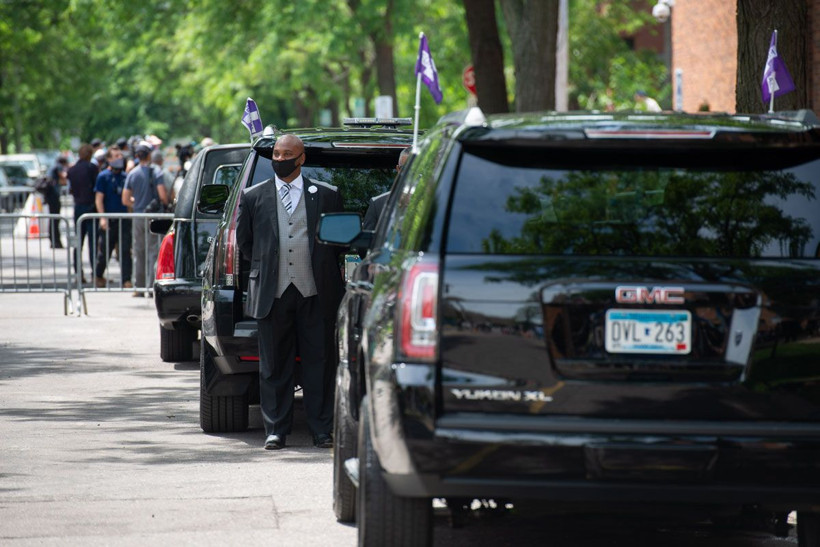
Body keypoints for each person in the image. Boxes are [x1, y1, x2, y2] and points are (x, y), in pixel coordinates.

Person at [236, 134, 344, 450]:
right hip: (274, 291)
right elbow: (246, 243)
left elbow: (337, 243)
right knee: (273, 365)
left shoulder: (326, 195)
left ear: (301, 159)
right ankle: (275, 430)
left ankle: (322, 429)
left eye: (287, 153)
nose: (280, 158)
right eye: (276, 153)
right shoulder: (254, 196)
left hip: (315, 292)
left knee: (320, 362)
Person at [122, 145, 168, 296]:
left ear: (137, 156)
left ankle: (139, 287)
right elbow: (162, 195)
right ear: (149, 156)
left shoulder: (132, 174)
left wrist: (137, 203)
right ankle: (151, 287)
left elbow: (125, 199)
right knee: (153, 252)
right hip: (153, 217)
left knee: (138, 251)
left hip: (138, 216)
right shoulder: (156, 171)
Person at [94, 148, 132, 288]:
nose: (119, 158)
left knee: (125, 251)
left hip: (123, 219)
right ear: (109, 159)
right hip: (109, 219)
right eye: (116, 156)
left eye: (120, 156)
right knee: (105, 251)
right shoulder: (103, 176)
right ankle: (98, 275)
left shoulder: (125, 176)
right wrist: (102, 218)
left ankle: (126, 280)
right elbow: (99, 199)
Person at [67, 143, 99, 283]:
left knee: (78, 243)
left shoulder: (72, 170)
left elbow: (71, 189)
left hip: (78, 206)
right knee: (92, 242)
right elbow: (95, 187)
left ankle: (78, 273)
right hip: (90, 208)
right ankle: (94, 273)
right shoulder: (92, 168)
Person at [362, 147, 411, 231]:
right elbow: (368, 242)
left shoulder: (437, 203)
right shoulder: (378, 204)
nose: (411, 173)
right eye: (406, 168)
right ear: (398, 169)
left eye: (416, 168)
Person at [46, 157, 68, 248]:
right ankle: (55, 241)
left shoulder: (52, 166)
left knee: (53, 219)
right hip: (54, 196)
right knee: (55, 219)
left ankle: (53, 240)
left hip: (51, 196)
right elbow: (64, 176)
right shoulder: (58, 166)